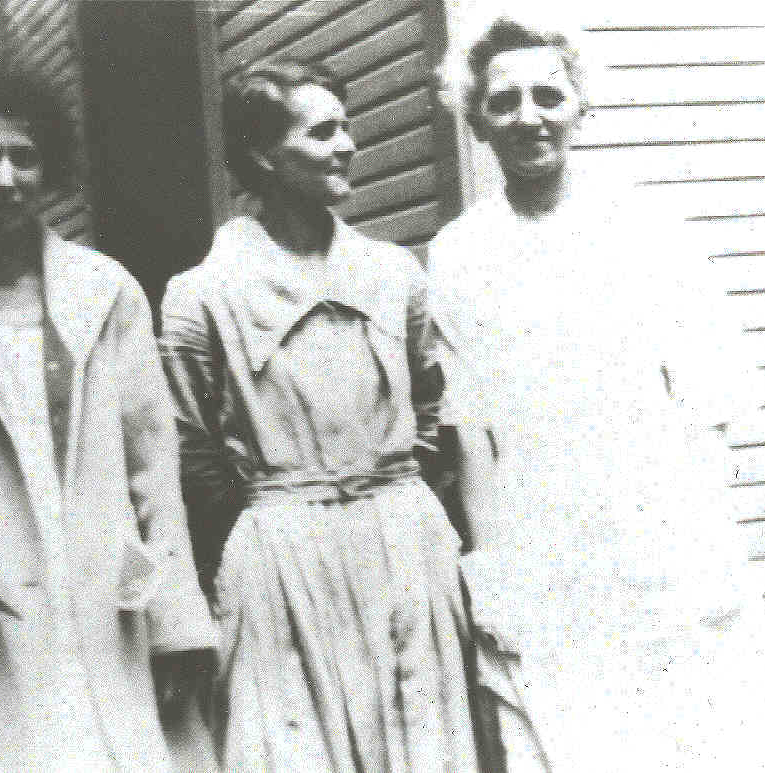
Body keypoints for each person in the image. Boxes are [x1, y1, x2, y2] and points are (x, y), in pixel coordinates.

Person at [429, 18, 765, 772]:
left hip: (659, 526)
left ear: (582, 105)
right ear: (475, 119)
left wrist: (707, 545)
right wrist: (493, 567)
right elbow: (471, 432)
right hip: (541, 540)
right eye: (504, 102)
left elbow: (708, 400)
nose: (529, 117)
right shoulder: (458, 255)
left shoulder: (647, 227)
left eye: (549, 95)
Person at [0, 64, 218, 772]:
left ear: (47, 166)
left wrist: (176, 621)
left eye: (23, 157)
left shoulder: (106, 292)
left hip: (106, 605)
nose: (4, 177)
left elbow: (155, 472)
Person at [159, 59, 478, 772]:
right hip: (280, 558)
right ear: (261, 155)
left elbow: (431, 406)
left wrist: (391, 497)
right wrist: (277, 524)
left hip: (405, 544)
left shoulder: (393, 273)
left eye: (347, 127)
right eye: (322, 131)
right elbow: (190, 453)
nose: (347, 146)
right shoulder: (202, 295)